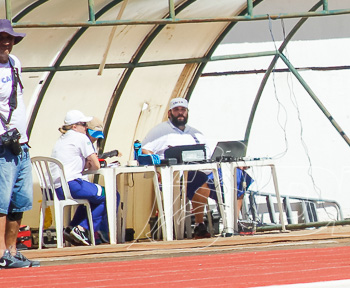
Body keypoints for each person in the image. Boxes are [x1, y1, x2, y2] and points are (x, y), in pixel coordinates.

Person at [141, 97, 252, 239]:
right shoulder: (160, 131)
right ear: (170, 113)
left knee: (237, 175)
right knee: (198, 178)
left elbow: (211, 155)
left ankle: (233, 225)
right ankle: (200, 225)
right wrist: (157, 165)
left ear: (187, 112)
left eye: (183, 110)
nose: (180, 113)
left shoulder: (196, 133)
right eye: (176, 110)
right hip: (177, 177)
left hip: (205, 171)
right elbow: (144, 150)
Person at [0, 19, 38, 268]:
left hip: (21, 143)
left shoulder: (15, 64)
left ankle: (13, 250)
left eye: (10, 38)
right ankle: (1, 253)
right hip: (3, 145)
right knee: (1, 201)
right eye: (2, 38)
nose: (6, 43)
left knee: (20, 200)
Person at [51, 110, 116, 245]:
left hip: (54, 189)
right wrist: (90, 167)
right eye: (83, 124)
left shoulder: (61, 139)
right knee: (109, 194)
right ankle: (84, 229)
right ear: (75, 126)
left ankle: (72, 228)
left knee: (91, 196)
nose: (86, 128)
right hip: (71, 184)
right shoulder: (80, 137)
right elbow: (96, 165)